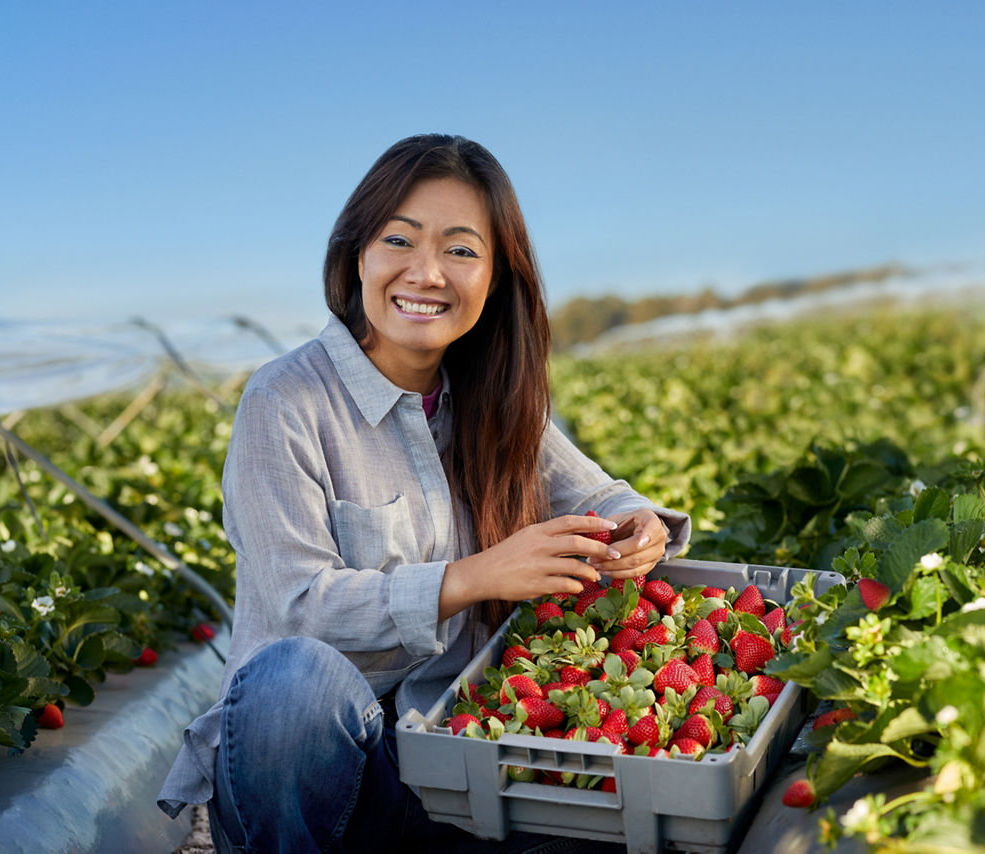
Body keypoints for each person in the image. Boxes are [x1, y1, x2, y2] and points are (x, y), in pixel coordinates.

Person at [156, 133, 690, 852]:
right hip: (313, 774)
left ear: (497, 277)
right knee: (295, 682)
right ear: (357, 257)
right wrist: (471, 579)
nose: (427, 271)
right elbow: (297, 609)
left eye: (462, 250)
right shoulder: (286, 399)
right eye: (399, 239)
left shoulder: (493, 399)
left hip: (461, 765)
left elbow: (595, 494)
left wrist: (637, 526)